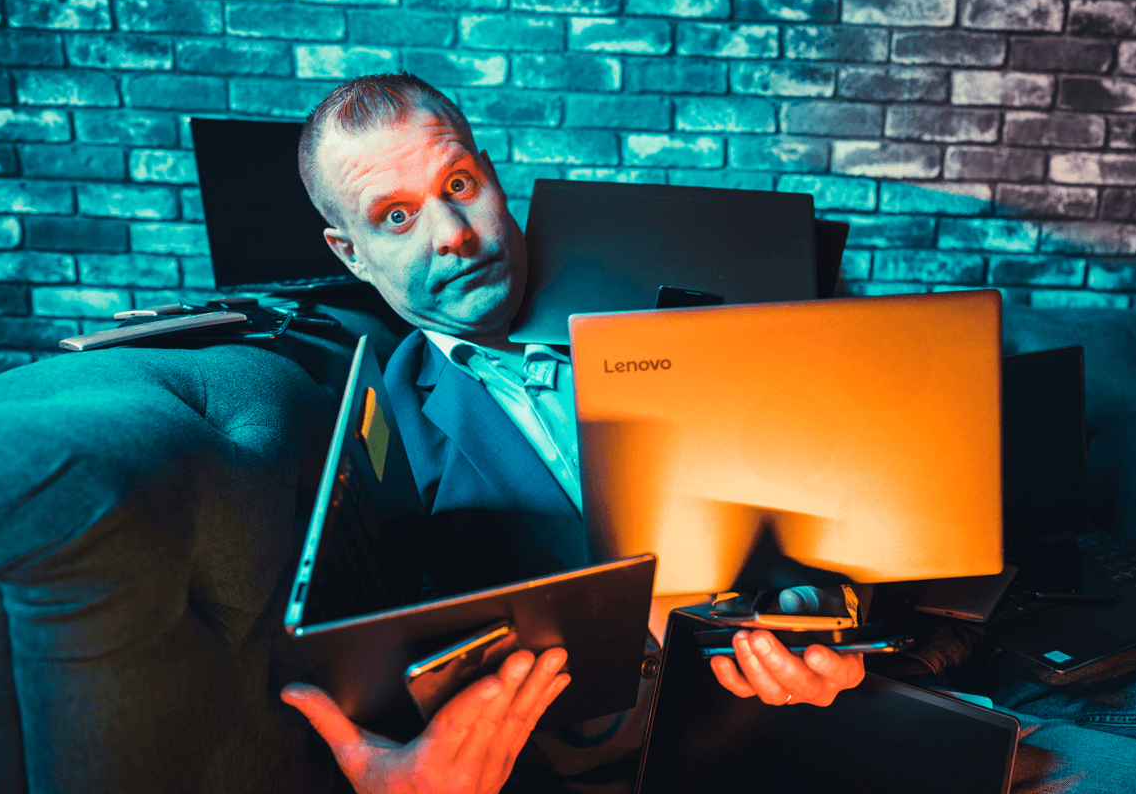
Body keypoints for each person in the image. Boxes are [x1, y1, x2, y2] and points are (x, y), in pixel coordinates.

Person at [281, 73, 864, 793]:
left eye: (458, 185)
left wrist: (834, 628)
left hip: (815, 734)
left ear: (491, 176)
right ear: (349, 253)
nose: (455, 235)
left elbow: (834, 494)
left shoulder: (670, 288)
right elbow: (405, 681)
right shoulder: (386, 432)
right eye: (396, 218)